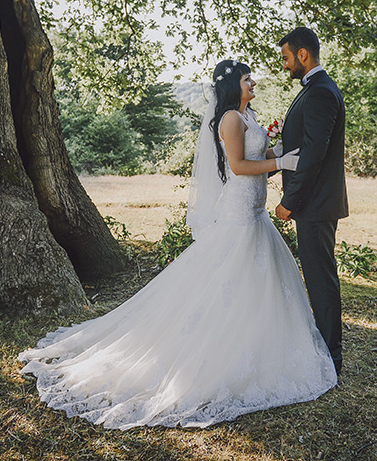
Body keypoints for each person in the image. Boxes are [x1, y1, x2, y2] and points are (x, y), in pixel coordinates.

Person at [19, 59, 337, 430]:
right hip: (238, 211)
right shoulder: (230, 119)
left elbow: (257, 157)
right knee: (229, 277)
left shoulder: (248, 116)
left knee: (261, 279)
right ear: (233, 85)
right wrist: (281, 162)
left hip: (256, 211)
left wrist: (277, 154)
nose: (253, 83)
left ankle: (261, 342)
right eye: (247, 78)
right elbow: (237, 166)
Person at [274, 27, 348, 375]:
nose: (285, 64)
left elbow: (314, 155)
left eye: (286, 57)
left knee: (320, 280)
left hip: (315, 204)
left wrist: (290, 200)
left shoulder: (320, 92)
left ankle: (331, 356)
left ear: (302, 54)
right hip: (316, 203)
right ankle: (326, 348)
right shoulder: (315, 89)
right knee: (319, 277)